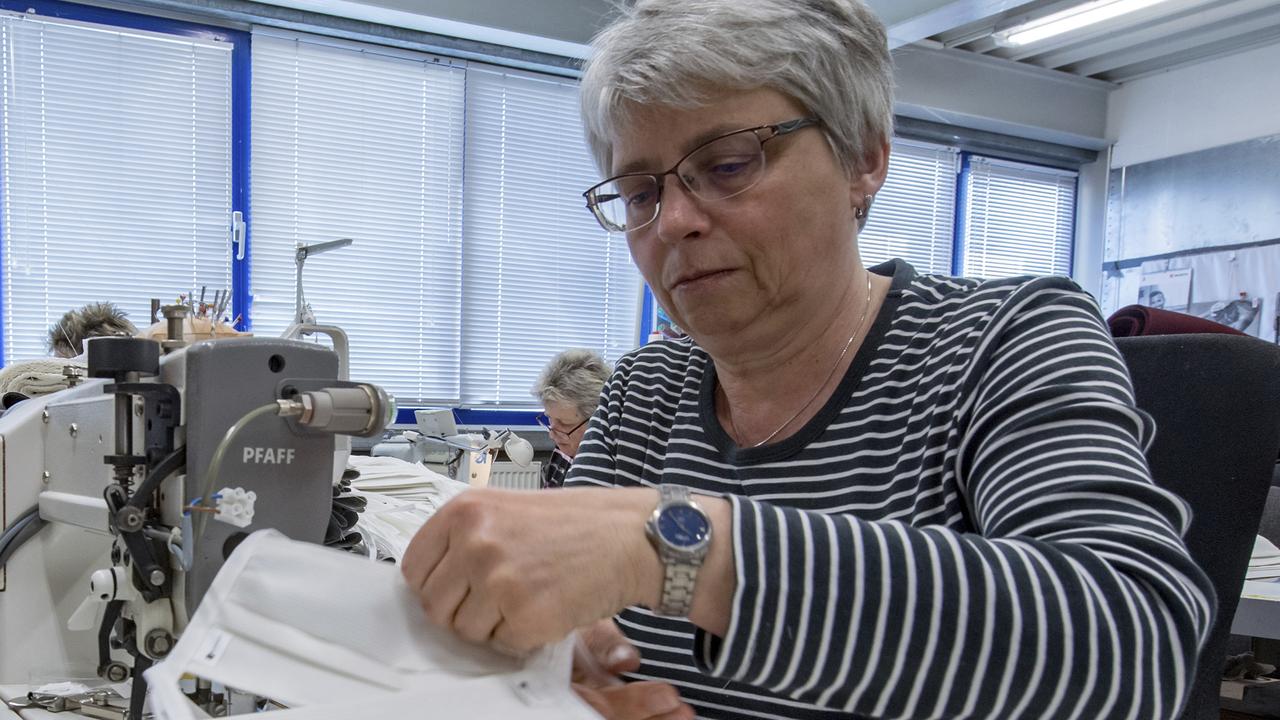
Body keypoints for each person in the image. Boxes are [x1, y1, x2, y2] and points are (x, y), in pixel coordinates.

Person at [402, 1, 1214, 718]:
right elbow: (573, 627)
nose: (674, 221)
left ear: (863, 158)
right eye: (642, 193)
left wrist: (674, 548)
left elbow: (1131, 647)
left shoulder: (1006, 340)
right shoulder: (646, 393)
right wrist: (548, 675)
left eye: (727, 164)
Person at [531, 349, 612, 488]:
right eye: (550, 419)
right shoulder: (563, 452)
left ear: (597, 419)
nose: (552, 434)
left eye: (564, 423)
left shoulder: (606, 472)